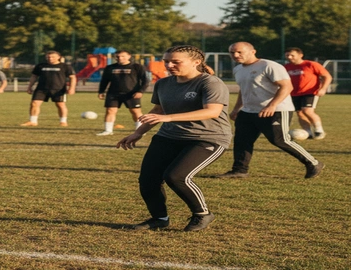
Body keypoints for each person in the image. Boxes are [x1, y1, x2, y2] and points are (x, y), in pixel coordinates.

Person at [117, 45, 230, 232]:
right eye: (166, 61)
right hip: (169, 136)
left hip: (207, 138)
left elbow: (212, 111)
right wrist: (138, 132)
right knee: (148, 180)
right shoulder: (163, 84)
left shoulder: (210, 82)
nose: (169, 65)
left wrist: (169, 117)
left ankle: (202, 214)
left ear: (196, 62)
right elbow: (158, 111)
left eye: (175, 62)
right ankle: (159, 219)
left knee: (176, 177)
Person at [220, 42, 324, 179]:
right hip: (248, 111)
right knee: (242, 140)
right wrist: (236, 109)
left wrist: (272, 105)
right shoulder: (238, 69)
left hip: (276, 110)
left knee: (279, 140)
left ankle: (313, 163)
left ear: (253, 52)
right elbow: (244, 90)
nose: (235, 55)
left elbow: (287, 87)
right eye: (232, 52)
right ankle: (239, 170)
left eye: (239, 52)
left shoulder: (269, 66)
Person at [97, 50, 148, 135]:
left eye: (123, 56)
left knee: (135, 111)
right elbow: (104, 81)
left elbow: (145, 81)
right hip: (113, 93)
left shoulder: (137, 67)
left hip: (131, 94)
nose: (120, 58)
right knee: (110, 111)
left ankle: (140, 130)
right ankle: (108, 131)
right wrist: (101, 91)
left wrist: (140, 91)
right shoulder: (110, 67)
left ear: (129, 56)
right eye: (117, 56)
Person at [284, 47, 332, 139]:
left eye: (292, 55)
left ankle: (319, 131)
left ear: (300, 55)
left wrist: (323, 88)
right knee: (300, 113)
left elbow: (327, 76)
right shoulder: (286, 67)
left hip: (310, 92)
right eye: (287, 55)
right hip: (293, 93)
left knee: (307, 111)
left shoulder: (311, 64)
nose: (289, 57)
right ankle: (308, 132)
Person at [21, 51, 76, 127]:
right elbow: (34, 76)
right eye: (48, 57)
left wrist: (72, 88)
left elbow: (72, 77)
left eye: (53, 57)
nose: (50, 58)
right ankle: (33, 121)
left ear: (58, 57)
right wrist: (29, 87)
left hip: (58, 89)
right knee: (34, 103)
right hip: (41, 89)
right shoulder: (40, 66)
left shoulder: (65, 66)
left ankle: (63, 122)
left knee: (60, 105)